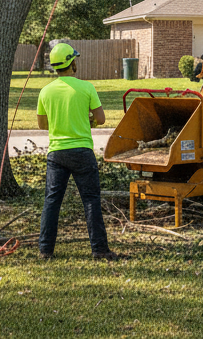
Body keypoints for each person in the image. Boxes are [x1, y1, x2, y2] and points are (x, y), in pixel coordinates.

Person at [36, 42, 121, 261]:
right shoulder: (87, 88)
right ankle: (100, 250)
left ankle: (45, 251)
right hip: (82, 152)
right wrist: (87, 121)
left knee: (52, 201)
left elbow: (42, 125)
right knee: (91, 200)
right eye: (75, 59)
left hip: (56, 154)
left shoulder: (45, 91)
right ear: (72, 62)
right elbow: (100, 119)